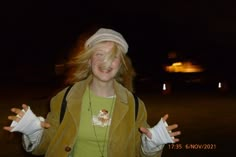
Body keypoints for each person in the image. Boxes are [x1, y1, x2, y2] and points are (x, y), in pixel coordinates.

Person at [3, 27, 181, 157]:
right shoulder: (64, 98)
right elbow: (45, 146)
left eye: (113, 56)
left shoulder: (135, 106)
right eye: (99, 54)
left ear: (121, 64)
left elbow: (137, 151)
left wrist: (152, 144)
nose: (106, 62)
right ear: (89, 61)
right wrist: (33, 131)